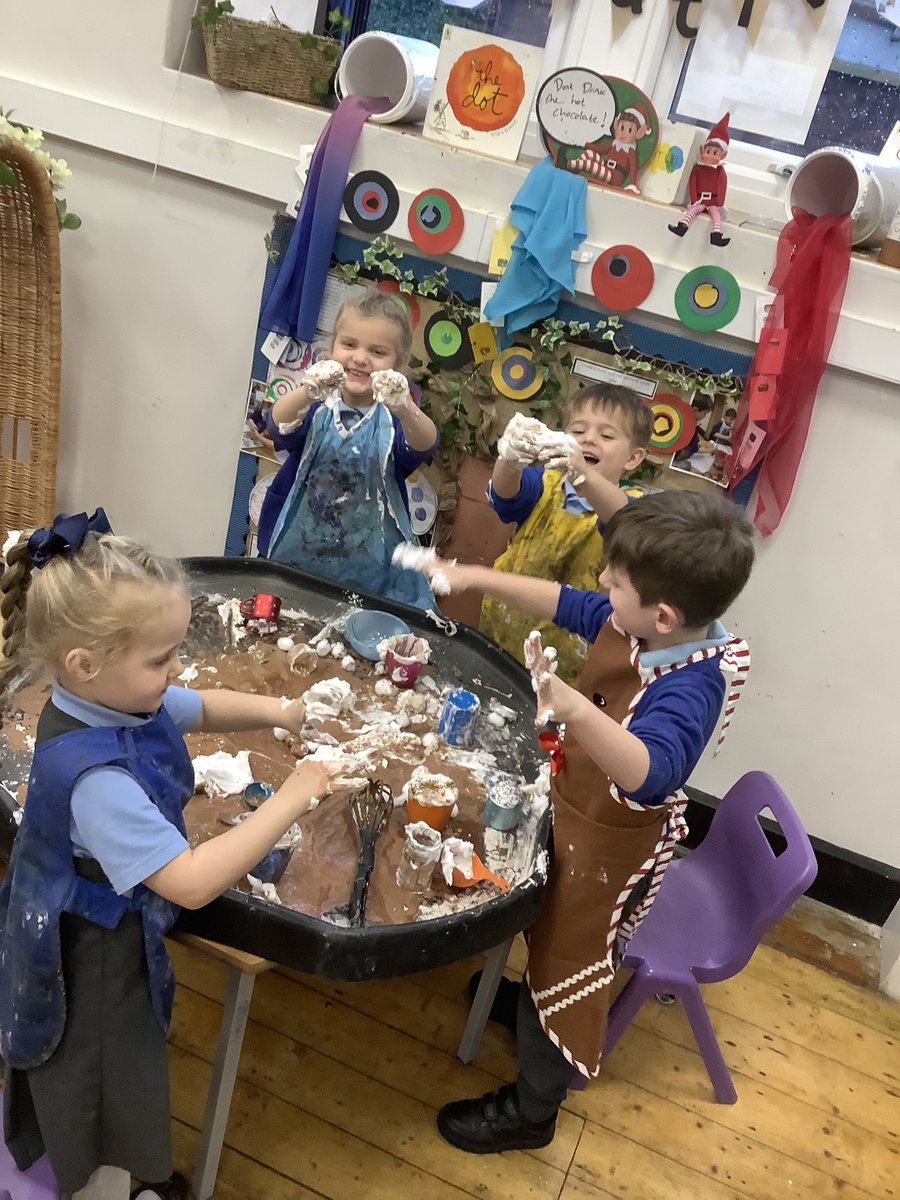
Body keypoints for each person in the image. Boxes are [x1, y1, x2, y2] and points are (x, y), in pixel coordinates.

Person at [399, 490, 753, 1153]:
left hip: (611, 857)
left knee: (567, 969)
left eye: (615, 582)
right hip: (578, 810)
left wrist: (574, 708)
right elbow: (569, 603)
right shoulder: (642, 625)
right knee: (540, 926)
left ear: (664, 615)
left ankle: (533, 1107)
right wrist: (473, 576)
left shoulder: (690, 686)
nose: (602, 583)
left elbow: (651, 772)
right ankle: (525, 1001)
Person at [0, 511, 341, 1200]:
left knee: (120, 1071)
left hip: (104, 924)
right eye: (161, 660)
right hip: (85, 958)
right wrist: (295, 795)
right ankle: (102, 1185)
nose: (175, 670)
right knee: (101, 1081)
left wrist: (284, 712)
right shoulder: (96, 782)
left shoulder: (116, 698)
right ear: (84, 663)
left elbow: (202, 707)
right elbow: (188, 883)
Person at [257, 292, 439, 610]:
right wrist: (306, 392)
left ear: (398, 365)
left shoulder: (396, 422)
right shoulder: (314, 408)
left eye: (377, 351)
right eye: (349, 344)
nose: (360, 358)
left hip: (369, 571)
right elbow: (277, 423)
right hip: (295, 554)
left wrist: (406, 408)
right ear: (332, 349)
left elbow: (426, 443)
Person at [481, 385, 651, 683]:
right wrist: (509, 458)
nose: (588, 439)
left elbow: (623, 519)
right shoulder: (545, 483)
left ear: (633, 458)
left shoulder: (636, 509)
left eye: (606, 435)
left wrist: (584, 477)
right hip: (502, 627)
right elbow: (504, 496)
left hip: (569, 659)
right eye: (578, 430)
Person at [668, 112, 731, 247]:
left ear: (723, 155)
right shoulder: (698, 168)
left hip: (713, 202)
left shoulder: (720, 171)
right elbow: (693, 183)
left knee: (716, 216)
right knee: (691, 212)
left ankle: (716, 235)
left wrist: (720, 203)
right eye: (708, 151)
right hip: (701, 200)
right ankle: (682, 227)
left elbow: (722, 186)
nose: (710, 156)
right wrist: (694, 200)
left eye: (715, 153)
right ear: (702, 150)